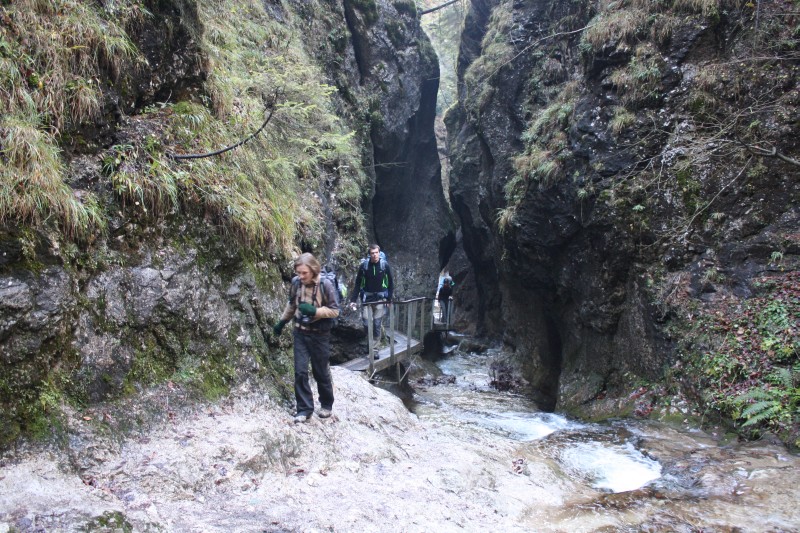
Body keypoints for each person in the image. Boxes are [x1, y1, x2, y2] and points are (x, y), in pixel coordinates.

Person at [273, 253, 340, 423]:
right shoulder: (296, 283)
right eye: (298, 273)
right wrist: (281, 323)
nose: (301, 276)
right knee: (300, 371)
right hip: (300, 333)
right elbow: (292, 305)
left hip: (320, 335)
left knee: (320, 371)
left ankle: (326, 404)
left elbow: (335, 310)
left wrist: (315, 311)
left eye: (304, 273)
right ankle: (304, 409)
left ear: (313, 270)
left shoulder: (325, 284)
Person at [349, 244, 393, 348]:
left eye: (376, 253)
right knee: (366, 323)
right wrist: (353, 300)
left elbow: (391, 283)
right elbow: (358, 283)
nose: (375, 255)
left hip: (380, 299)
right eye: (372, 253)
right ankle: (370, 343)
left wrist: (389, 299)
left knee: (377, 324)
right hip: (367, 299)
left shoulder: (384, 265)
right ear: (369, 254)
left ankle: (375, 348)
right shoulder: (364, 266)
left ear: (379, 253)